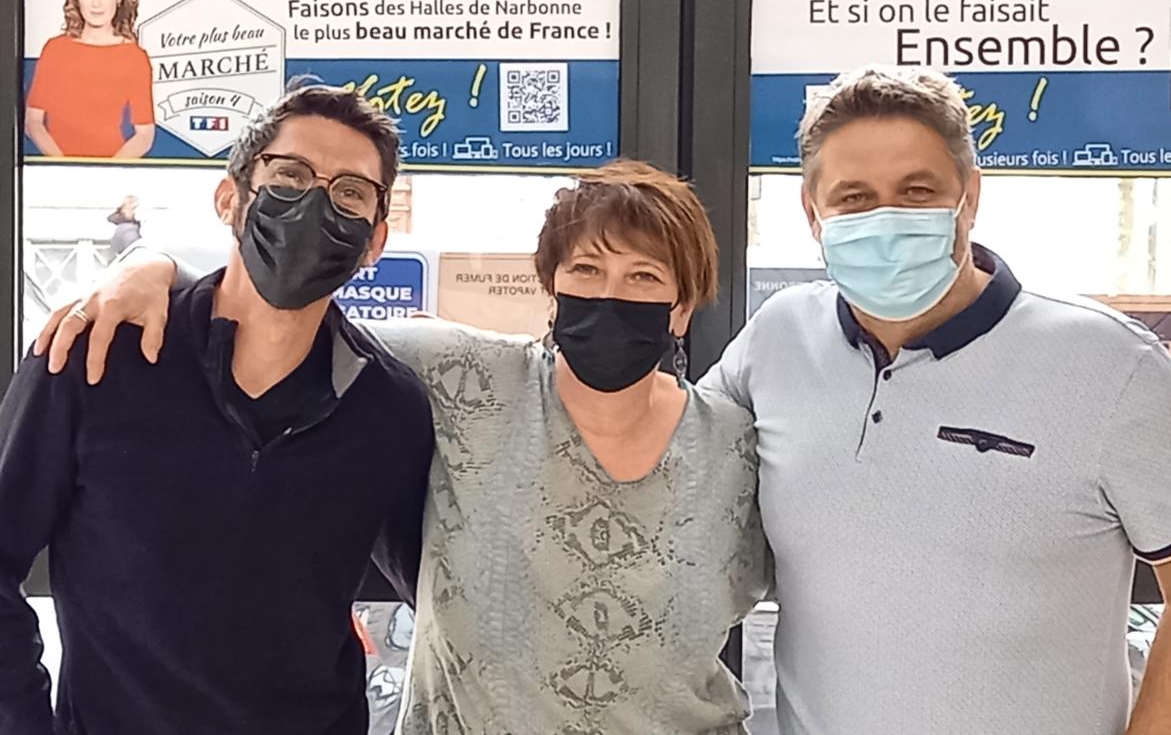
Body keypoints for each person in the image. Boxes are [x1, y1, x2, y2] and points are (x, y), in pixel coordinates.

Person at [36, 160, 770, 734]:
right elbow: (284, 314)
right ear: (550, 286)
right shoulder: (466, 382)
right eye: (587, 270)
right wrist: (157, 263)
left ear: (682, 306)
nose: (611, 294)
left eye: (645, 277)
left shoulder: (739, 446)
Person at [699, 66, 1171, 735]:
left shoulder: (1115, 367)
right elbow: (664, 459)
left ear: (969, 197)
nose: (886, 218)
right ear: (812, 213)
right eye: (854, 197)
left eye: (916, 191)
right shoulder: (776, 339)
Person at [0, 83, 435, 734]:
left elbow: (439, 588)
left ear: (374, 241)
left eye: (349, 192)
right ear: (230, 198)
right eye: (289, 176)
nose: (316, 204)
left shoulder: (389, 408)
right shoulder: (91, 359)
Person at [25, 0, 156, 159]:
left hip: (113, 167)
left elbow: (145, 134)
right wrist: (63, 165)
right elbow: (33, 122)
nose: (96, 3)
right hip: (56, 169)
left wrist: (106, 171)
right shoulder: (55, 50)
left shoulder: (134, 57)